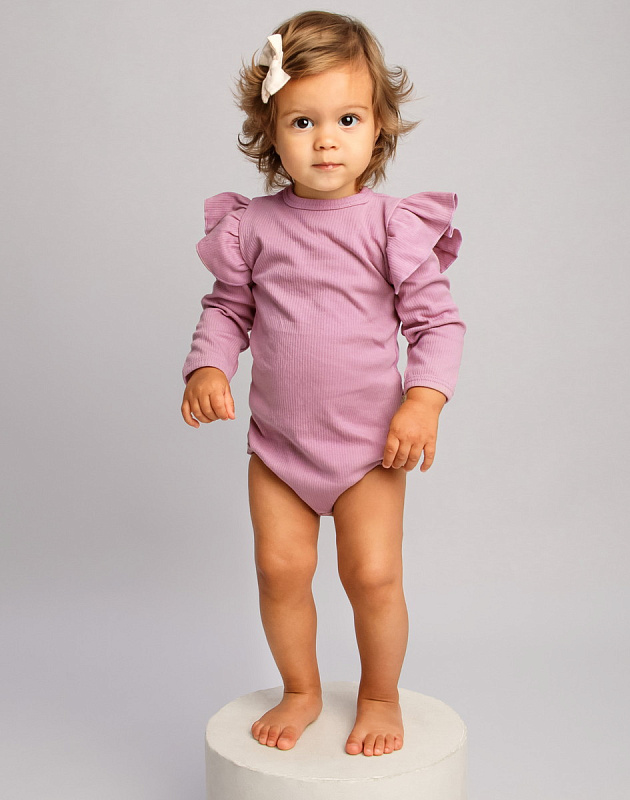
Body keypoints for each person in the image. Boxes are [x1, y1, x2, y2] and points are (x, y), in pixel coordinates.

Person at [180, 10, 466, 758]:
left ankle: (379, 696)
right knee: (279, 571)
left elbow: (437, 325)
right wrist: (208, 365)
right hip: (280, 448)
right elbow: (227, 309)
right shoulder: (253, 227)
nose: (327, 140)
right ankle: (301, 688)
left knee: (372, 576)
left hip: (370, 449)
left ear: (379, 127)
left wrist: (423, 401)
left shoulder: (390, 226)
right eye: (303, 122)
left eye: (347, 119)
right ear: (270, 133)